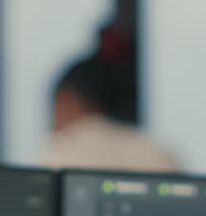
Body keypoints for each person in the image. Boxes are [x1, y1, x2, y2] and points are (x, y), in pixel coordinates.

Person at [42, 21, 180, 173]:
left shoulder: (58, 156)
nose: (54, 125)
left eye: (56, 111)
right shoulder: (162, 155)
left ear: (71, 103)